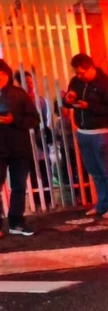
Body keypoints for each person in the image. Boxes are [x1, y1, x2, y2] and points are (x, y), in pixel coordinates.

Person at [62, 53, 108, 220]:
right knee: (94, 171)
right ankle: (101, 203)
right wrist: (69, 99)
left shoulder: (106, 84)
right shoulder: (76, 82)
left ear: (91, 67)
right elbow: (67, 102)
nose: (79, 76)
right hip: (84, 132)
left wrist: (89, 106)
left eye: (82, 72)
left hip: (103, 132)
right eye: (76, 73)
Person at [0, 60, 40, 238]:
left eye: (2, 74)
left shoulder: (19, 94)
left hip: (19, 148)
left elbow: (34, 119)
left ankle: (16, 221)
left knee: (18, 186)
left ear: (8, 75)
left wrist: (14, 120)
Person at [15, 71, 53, 210]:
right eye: (27, 83)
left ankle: (48, 201)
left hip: (39, 142)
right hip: (24, 143)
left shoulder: (41, 100)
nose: (30, 85)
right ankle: (36, 201)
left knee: (44, 171)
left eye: (31, 82)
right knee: (29, 173)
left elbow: (46, 120)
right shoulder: (16, 101)